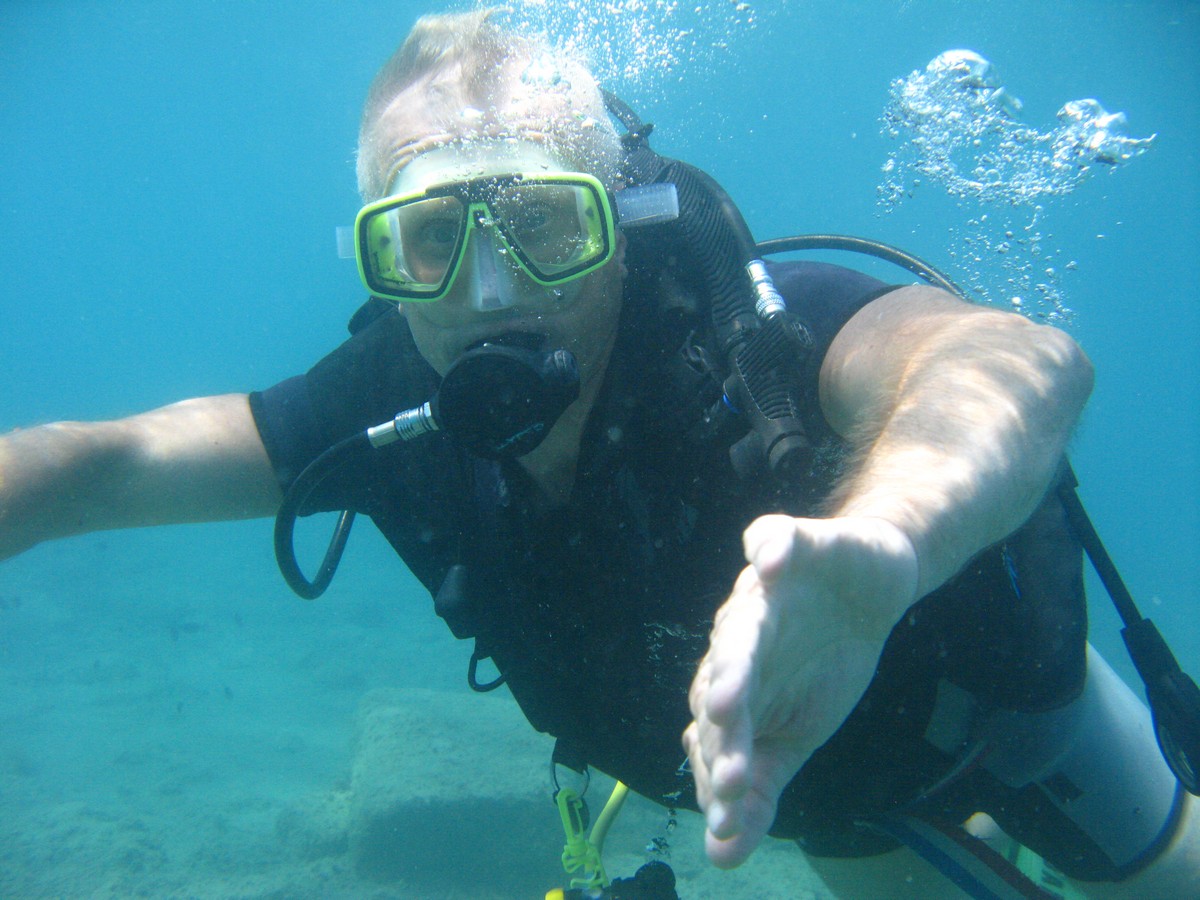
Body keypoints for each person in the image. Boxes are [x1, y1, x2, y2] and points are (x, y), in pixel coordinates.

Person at [1, 9, 1196, 898]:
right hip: (808, 799)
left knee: (1160, 870)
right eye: (425, 241)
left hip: (1010, 713)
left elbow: (1018, 365)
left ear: (619, 226)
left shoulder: (758, 334)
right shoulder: (380, 407)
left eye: (540, 228)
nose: (484, 293)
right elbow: (96, 466)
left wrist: (892, 534)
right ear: (375, 260)